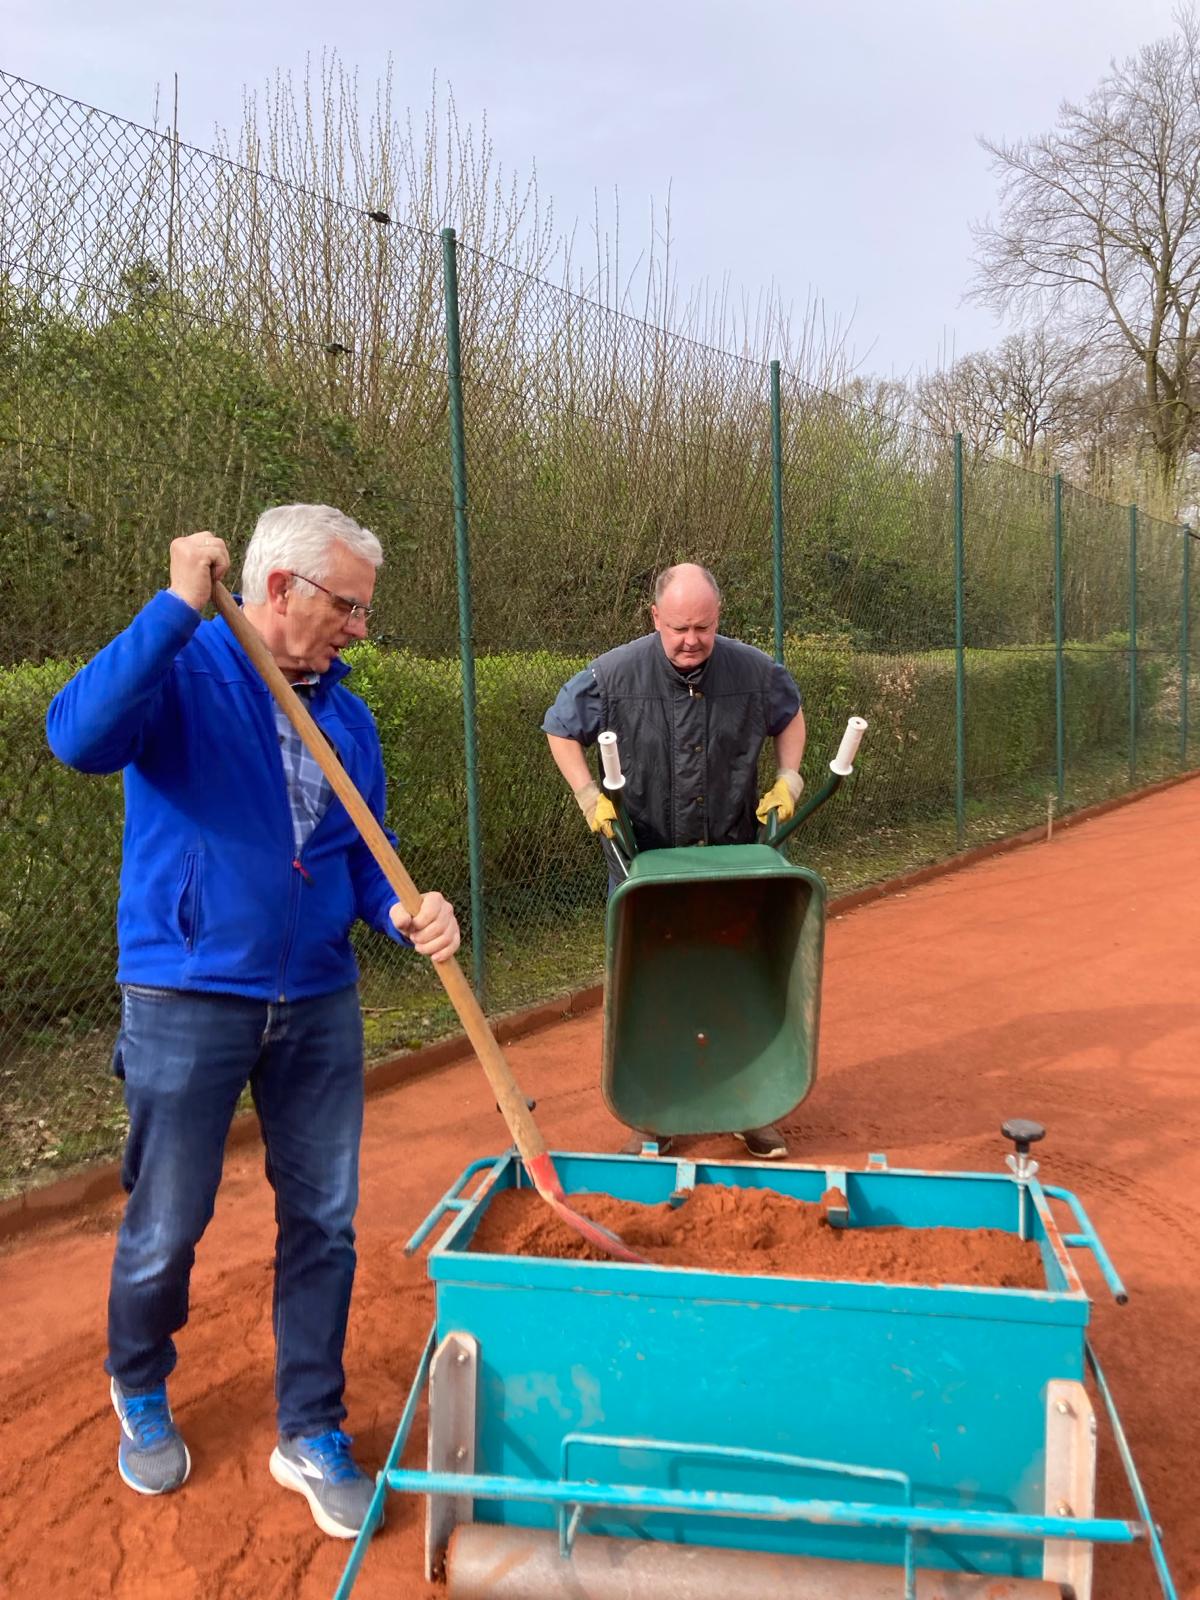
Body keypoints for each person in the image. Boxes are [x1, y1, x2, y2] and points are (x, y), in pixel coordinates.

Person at [45, 504, 461, 1540]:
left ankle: (310, 1427)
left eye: (364, 607)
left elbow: (360, 852)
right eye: (348, 605)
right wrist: (176, 607)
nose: (361, 626)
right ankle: (139, 1383)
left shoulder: (347, 716)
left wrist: (404, 909)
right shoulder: (182, 673)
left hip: (317, 995)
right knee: (169, 1217)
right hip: (187, 991)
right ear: (280, 590)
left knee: (323, 1218)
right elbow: (76, 735)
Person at [543, 562, 806, 1161]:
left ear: (719, 622)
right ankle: (655, 1113)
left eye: (704, 628)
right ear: (655, 618)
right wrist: (589, 794)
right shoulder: (613, 674)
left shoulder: (753, 671)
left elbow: (790, 716)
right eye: (680, 627)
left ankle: (750, 1105)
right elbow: (561, 731)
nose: (692, 640)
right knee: (649, 985)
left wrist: (789, 778)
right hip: (646, 863)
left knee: (736, 977)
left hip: (732, 859)